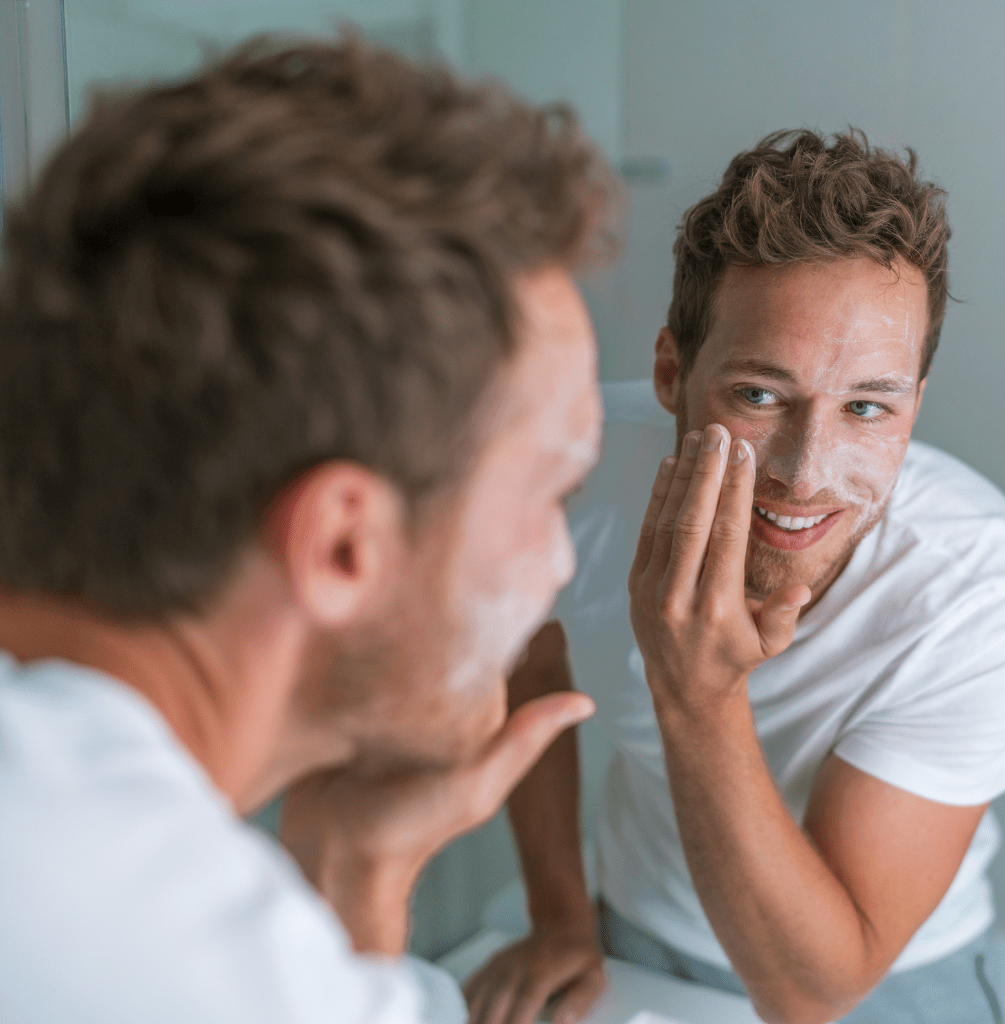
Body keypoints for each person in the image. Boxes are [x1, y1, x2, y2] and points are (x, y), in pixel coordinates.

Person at [0, 35, 623, 1024]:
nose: (559, 563)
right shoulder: (169, 951)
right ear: (342, 546)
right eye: (552, 492)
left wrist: (357, 866)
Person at [465, 130, 1005, 1024]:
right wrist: (559, 913)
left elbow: (815, 990)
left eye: (867, 408)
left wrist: (696, 689)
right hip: (632, 938)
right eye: (760, 396)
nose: (806, 473)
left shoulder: (982, 595)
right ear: (670, 373)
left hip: (887, 981)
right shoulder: (571, 470)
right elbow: (525, 664)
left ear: (914, 406)